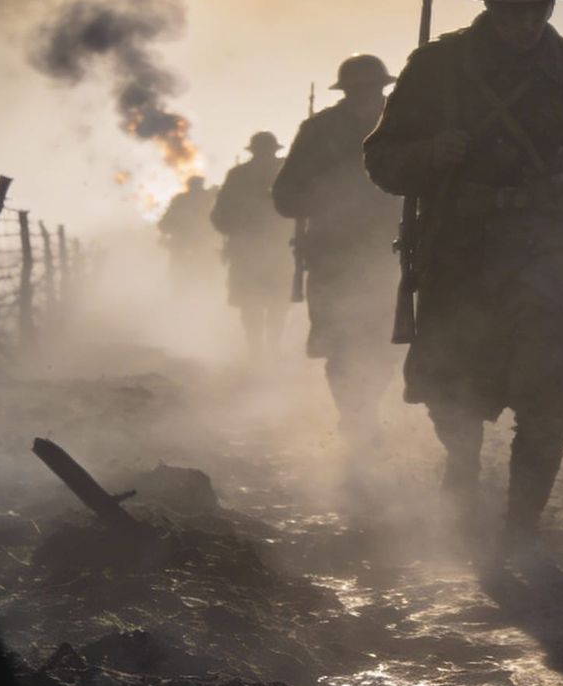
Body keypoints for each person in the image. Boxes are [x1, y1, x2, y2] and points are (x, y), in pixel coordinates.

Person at [364, 0, 563, 542]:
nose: (525, 23)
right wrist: (429, 154)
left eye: (536, 9)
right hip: (458, 250)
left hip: (548, 248)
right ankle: (461, 475)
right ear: (490, 6)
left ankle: (521, 531)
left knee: (546, 395)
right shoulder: (436, 67)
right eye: (513, 10)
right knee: (454, 388)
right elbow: (383, 160)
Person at [271, 55, 401, 448]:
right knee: (340, 346)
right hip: (335, 255)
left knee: (389, 343)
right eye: (357, 90)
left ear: (382, 88)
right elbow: (285, 197)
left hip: (391, 252)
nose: (365, 97)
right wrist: (329, 197)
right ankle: (356, 417)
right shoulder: (318, 131)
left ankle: (364, 410)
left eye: (371, 89)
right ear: (345, 92)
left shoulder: (406, 126)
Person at [211, 132, 294, 357]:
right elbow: (220, 215)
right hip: (260, 248)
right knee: (256, 304)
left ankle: (264, 352)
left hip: (271, 247)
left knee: (269, 304)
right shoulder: (286, 173)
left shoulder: (241, 175)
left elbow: (219, 216)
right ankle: (260, 352)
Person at [156, 175, 218, 293]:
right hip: (200, 247)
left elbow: (164, 225)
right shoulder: (209, 199)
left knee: (180, 282)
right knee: (204, 281)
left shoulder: (181, 200)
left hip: (187, 247)